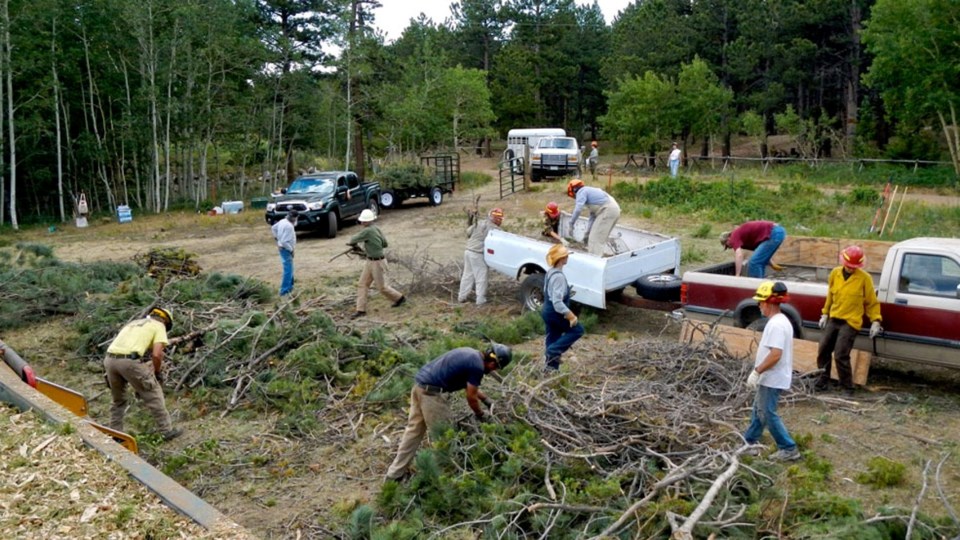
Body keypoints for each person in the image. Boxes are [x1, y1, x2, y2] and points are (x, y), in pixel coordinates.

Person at [385, 343, 512, 481]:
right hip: (432, 395)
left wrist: (487, 400)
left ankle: (394, 474)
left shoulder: (470, 353)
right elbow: (471, 397)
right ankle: (443, 479)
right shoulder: (477, 366)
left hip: (420, 387)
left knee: (414, 431)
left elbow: (469, 386)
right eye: (497, 367)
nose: (494, 370)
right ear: (494, 363)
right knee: (445, 438)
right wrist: (480, 414)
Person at [743, 281, 800, 461]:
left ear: (768, 303)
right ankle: (749, 442)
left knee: (767, 413)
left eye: (760, 302)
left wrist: (757, 371)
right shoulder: (781, 321)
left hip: (772, 377)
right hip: (771, 376)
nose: (759, 306)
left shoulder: (776, 325)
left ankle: (788, 447)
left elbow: (775, 355)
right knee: (758, 410)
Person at [104, 308, 182, 441]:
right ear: (165, 321)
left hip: (109, 360)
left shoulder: (133, 323)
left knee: (118, 400)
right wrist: (157, 372)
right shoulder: (159, 326)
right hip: (129, 362)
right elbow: (157, 354)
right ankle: (166, 431)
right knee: (154, 393)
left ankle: (116, 433)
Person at [814, 245, 883, 394]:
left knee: (840, 354)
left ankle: (847, 387)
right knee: (823, 350)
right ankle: (822, 381)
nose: (851, 269)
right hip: (834, 317)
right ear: (843, 262)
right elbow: (830, 295)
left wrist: (875, 320)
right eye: (849, 266)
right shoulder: (835, 274)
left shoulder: (865, 278)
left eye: (854, 267)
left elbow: (871, 301)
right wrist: (825, 313)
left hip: (850, 322)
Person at [348, 209, 405, 319]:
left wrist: (361, 243)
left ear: (366, 221)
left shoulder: (367, 231)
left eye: (363, 221)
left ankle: (399, 298)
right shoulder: (376, 229)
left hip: (377, 262)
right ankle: (360, 310)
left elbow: (352, 239)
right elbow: (385, 243)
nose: (361, 223)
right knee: (362, 284)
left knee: (381, 287)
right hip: (371, 260)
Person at [542, 244, 584, 371]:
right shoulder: (559, 277)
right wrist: (570, 315)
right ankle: (553, 352)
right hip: (555, 313)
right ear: (561, 259)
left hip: (546, 311)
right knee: (577, 330)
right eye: (565, 255)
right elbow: (557, 302)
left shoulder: (550, 273)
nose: (567, 257)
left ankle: (551, 368)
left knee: (553, 337)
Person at [458, 208, 503, 305]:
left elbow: (468, 232)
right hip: (478, 254)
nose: (500, 221)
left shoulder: (479, 223)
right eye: (499, 218)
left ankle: (462, 297)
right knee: (481, 277)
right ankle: (480, 300)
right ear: (496, 219)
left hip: (468, 251)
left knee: (467, 275)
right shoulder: (496, 229)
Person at [566, 179, 621, 256]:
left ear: (573, 191)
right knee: (599, 238)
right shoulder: (591, 193)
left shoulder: (581, 192)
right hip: (614, 210)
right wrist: (587, 233)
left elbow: (578, 209)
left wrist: (571, 224)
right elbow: (593, 217)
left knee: (595, 239)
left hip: (607, 210)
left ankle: (594, 262)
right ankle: (597, 258)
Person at [719, 220, 787, 278]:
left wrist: (737, 275)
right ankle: (760, 286)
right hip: (778, 232)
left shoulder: (734, 236)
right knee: (760, 262)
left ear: (727, 239)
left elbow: (739, 255)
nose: (729, 247)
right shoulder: (744, 242)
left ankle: (755, 287)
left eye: (727, 245)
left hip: (774, 232)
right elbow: (762, 253)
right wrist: (772, 264)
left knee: (754, 263)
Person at [271, 210, 298, 296]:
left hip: (282, 247)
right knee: (288, 270)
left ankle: (290, 286)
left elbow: (273, 228)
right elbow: (285, 241)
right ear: (294, 218)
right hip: (286, 249)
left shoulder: (282, 221)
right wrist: (291, 250)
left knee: (290, 268)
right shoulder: (289, 226)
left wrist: (277, 239)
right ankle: (284, 291)